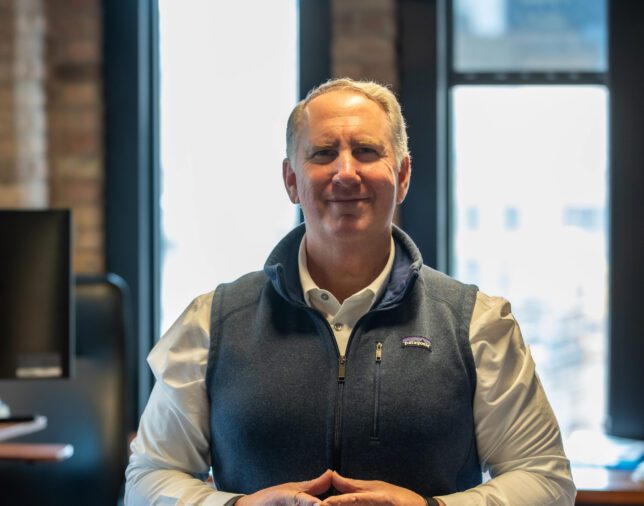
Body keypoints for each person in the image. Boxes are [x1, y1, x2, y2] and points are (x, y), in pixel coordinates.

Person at [125, 78, 576, 505]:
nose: (345, 173)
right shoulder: (213, 322)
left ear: (401, 176)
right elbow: (148, 479)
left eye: (365, 151)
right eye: (322, 153)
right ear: (290, 180)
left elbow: (546, 479)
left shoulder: (476, 323)